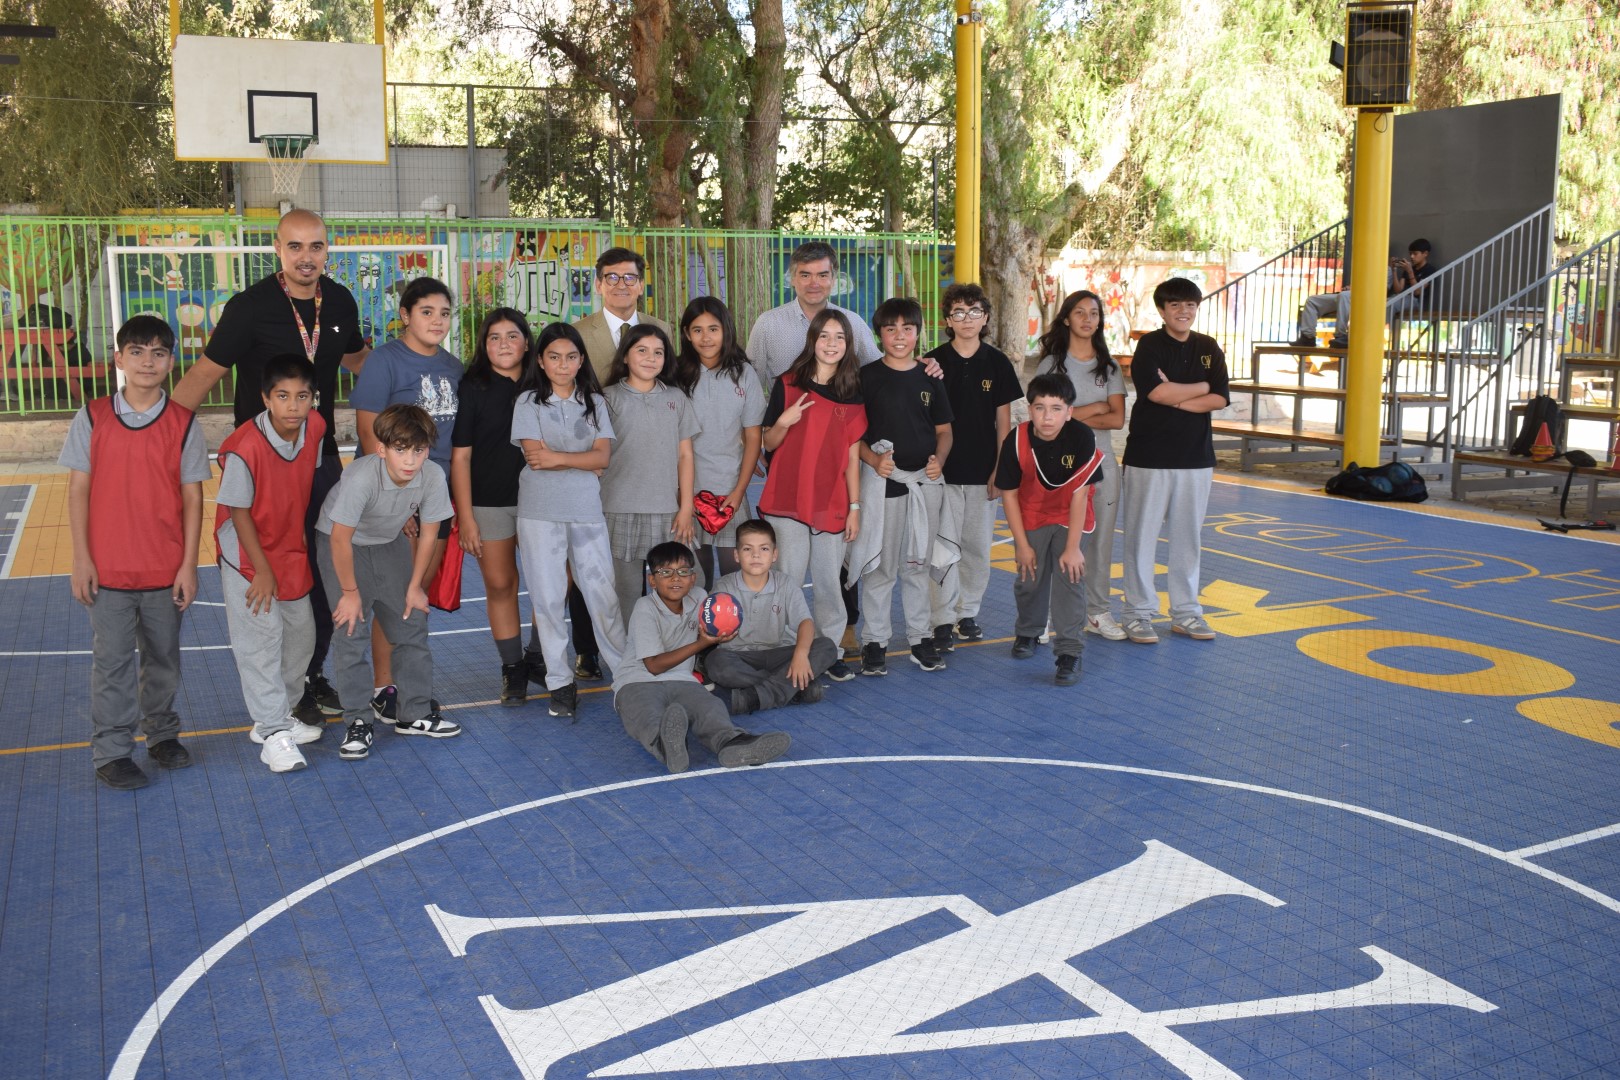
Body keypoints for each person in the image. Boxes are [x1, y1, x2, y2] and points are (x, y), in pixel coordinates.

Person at [172, 208, 369, 726]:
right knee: (269, 574)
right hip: (262, 468)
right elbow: (204, 374)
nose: (307, 258)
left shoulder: (341, 301)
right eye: (295, 247)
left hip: (320, 462)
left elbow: (360, 362)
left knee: (325, 572)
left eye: (317, 247)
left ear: (329, 250)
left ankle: (310, 676)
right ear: (277, 250)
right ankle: (274, 704)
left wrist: (415, 364)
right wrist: (160, 439)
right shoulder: (249, 308)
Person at [61, 315, 208, 789]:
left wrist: (188, 564)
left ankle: (162, 735)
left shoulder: (184, 423)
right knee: (113, 663)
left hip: (164, 569)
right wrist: (82, 559)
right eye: (138, 351)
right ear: (119, 358)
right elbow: (78, 490)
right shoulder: (93, 416)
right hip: (108, 571)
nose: (148, 360)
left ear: (171, 361)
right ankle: (112, 751)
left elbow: (192, 497)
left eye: (159, 352)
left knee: (163, 658)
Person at [314, 404, 462, 761]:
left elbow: (429, 533)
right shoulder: (362, 477)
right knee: (351, 629)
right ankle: (358, 722)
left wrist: (415, 584)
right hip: (342, 544)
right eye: (400, 449)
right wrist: (349, 593)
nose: (410, 459)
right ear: (381, 449)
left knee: (412, 619)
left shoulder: (431, 476)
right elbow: (338, 538)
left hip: (388, 542)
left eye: (418, 449)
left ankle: (414, 713)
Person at [348, 275, 464, 722]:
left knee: (415, 596)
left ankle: (408, 685)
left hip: (434, 499)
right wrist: (397, 502)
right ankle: (384, 687)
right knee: (393, 598)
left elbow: (455, 445)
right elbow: (367, 433)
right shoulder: (384, 361)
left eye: (445, 312)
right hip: (394, 500)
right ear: (405, 316)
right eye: (427, 312)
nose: (437, 320)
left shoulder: (454, 367)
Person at [213, 354, 328, 773]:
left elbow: (300, 486)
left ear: (313, 400)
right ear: (266, 398)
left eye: (302, 396)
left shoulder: (314, 427)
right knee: (260, 642)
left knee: (302, 636)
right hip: (247, 552)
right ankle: (274, 731)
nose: (293, 406)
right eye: (282, 396)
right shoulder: (244, 448)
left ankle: (278, 714)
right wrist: (261, 571)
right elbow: (238, 512)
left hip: (288, 545)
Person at [510, 322, 627, 721]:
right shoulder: (527, 402)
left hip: (586, 510)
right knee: (547, 598)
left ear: (581, 360)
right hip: (539, 512)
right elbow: (533, 457)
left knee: (602, 595)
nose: (563, 364)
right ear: (540, 361)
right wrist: (581, 461)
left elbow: (602, 458)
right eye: (554, 357)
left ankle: (625, 676)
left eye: (572, 357)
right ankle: (561, 683)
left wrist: (560, 458)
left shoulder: (594, 402)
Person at [755, 310, 868, 682]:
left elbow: (852, 457)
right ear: (812, 340)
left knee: (827, 582)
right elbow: (768, 443)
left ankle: (829, 650)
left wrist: (854, 507)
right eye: (824, 336)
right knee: (787, 578)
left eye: (839, 337)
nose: (831, 343)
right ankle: (789, 650)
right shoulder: (787, 384)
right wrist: (784, 422)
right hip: (788, 499)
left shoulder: (853, 392)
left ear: (848, 344)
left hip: (830, 502)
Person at [612, 542, 792, 774]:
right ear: (652, 581)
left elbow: (708, 632)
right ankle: (666, 746)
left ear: (693, 577)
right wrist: (703, 643)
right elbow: (653, 666)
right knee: (646, 714)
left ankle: (732, 743)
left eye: (683, 571)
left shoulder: (699, 598)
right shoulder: (645, 606)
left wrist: (720, 636)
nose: (675, 578)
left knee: (710, 709)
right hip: (637, 681)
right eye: (666, 572)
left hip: (683, 681)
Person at [1119, 277, 1230, 645]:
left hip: (1195, 459)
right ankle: (1138, 613)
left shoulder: (1208, 346)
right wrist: (1200, 386)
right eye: (1176, 305)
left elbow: (1220, 398)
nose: (1184, 312)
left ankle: (1186, 612)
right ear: (1163, 310)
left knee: (1188, 540)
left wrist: (1179, 398)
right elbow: (1155, 391)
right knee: (1141, 538)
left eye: (1190, 305)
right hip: (1149, 458)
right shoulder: (1149, 345)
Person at [848, 297, 954, 676]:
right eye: (890, 329)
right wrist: (874, 460)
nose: (899, 336)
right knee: (881, 568)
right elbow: (852, 435)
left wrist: (938, 460)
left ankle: (919, 638)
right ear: (879, 334)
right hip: (885, 484)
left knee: (917, 566)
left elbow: (944, 430)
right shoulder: (867, 376)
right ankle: (874, 641)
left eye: (907, 329)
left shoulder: (931, 376)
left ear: (917, 333)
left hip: (924, 486)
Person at [923, 283, 1021, 652]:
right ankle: (942, 619)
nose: (968, 319)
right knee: (942, 549)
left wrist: (1001, 467)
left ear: (986, 318)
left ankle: (967, 612)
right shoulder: (932, 363)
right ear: (948, 319)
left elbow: (1004, 422)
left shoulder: (997, 363)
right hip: (943, 473)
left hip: (983, 473)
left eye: (975, 311)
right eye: (959, 312)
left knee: (977, 547)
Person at [451, 308, 541, 706]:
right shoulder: (472, 387)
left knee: (552, 583)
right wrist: (466, 515)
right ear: (484, 346)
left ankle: (539, 657)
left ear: (527, 341)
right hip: (489, 503)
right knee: (501, 584)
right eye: (494, 337)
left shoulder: (546, 383)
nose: (503, 344)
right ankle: (512, 669)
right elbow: (461, 457)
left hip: (543, 502)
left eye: (512, 336)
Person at [997, 372, 1104, 686]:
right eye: (1040, 407)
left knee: (1070, 579)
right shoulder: (1016, 440)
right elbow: (1009, 493)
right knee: (1030, 576)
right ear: (1029, 410)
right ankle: (1029, 631)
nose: (1047, 416)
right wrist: (1021, 544)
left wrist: (1072, 549)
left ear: (1069, 412)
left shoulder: (1082, 437)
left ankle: (1069, 652)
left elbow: (1080, 493)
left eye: (1056, 408)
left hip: (1072, 516)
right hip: (1031, 514)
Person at [1034, 290, 1128, 641]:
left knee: (1100, 542)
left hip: (1102, 467)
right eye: (1079, 313)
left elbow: (1117, 418)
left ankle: (1097, 611)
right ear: (1066, 319)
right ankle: (1043, 616)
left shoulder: (1110, 367)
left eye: (1094, 313)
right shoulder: (1051, 365)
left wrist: (1072, 416)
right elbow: (1048, 422)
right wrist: (1095, 409)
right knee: (1054, 542)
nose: (1087, 319)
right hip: (1058, 468)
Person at [600, 324, 700, 624]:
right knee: (626, 591)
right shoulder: (607, 398)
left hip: (668, 512)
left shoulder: (677, 399)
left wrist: (686, 507)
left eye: (658, 352)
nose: (650, 358)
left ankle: (679, 649)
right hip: (618, 510)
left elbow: (685, 455)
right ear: (626, 356)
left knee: (685, 584)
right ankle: (632, 658)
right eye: (641, 350)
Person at [672, 297, 766, 588]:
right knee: (695, 580)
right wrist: (682, 499)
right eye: (697, 330)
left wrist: (739, 493)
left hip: (729, 493)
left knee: (735, 578)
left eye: (713, 328)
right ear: (686, 334)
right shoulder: (674, 375)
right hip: (686, 496)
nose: (706, 337)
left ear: (725, 330)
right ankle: (702, 635)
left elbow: (753, 437)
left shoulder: (744, 374)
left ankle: (736, 635)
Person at [706, 519, 839, 715]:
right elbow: (712, 627)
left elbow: (805, 623)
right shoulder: (724, 587)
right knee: (716, 662)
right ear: (736, 555)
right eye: (747, 549)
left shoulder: (785, 583)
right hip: (740, 655)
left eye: (764, 549)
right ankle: (794, 688)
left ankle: (754, 697)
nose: (756, 555)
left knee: (826, 647)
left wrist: (800, 655)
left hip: (780, 652)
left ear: (774, 554)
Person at [745, 240, 881, 388]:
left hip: (841, 410)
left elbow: (877, 373)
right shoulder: (767, 324)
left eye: (822, 275)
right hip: (785, 410)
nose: (814, 283)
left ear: (833, 280)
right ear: (792, 278)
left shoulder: (853, 323)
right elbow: (750, 384)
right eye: (805, 275)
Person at [1295, 238, 1438, 349]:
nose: (1412, 257)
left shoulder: (1425, 270)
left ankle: (1343, 336)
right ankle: (1308, 337)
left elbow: (1417, 291)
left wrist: (1406, 271)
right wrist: (1396, 270)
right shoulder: (1365, 267)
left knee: (1363, 300)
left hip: (1408, 300)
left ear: (1425, 254)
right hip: (1357, 295)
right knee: (1313, 300)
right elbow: (1399, 288)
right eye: (1410, 254)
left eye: (1415, 254)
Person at [573, 246, 672, 387]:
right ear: (598, 285)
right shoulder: (578, 333)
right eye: (612, 278)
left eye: (629, 278)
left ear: (641, 286)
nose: (621, 285)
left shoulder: (661, 329)